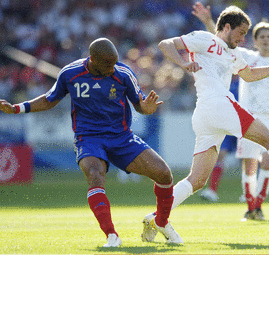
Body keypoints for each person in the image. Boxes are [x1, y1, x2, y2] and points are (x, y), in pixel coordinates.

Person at [141, 5, 269, 243]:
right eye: (241, 33)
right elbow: (165, 44)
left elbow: (250, 75)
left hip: (207, 114)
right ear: (226, 27)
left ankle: (157, 218)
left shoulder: (233, 53)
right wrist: (183, 63)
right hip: (217, 104)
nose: (243, 39)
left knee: (198, 180)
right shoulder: (204, 38)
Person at [0, 37, 182, 246]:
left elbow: (139, 103)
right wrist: (17, 108)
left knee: (164, 173)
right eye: (107, 64)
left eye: (114, 63)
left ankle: (160, 222)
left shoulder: (123, 73)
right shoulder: (70, 73)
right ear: (92, 59)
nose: (112, 69)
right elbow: (49, 99)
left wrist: (146, 108)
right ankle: (112, 236)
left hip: (121, 137)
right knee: (95, 175)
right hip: (88, 138)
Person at [192, 2, 269, 220]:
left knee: (268, 161)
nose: (265, 40)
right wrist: (207, 20)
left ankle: (258, 205)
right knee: (249, 164)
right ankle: (251, 207)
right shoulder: (245, 56)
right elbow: (220, 39)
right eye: (261, 37)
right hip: (249, 117)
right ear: (255, 40)